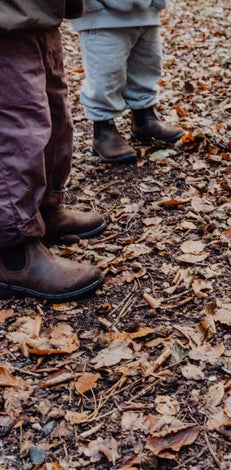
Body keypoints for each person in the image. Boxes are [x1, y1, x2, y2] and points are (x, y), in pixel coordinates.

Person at [0, 0, 106, 301]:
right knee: (14, 120)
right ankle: (13, 252)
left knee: (51, 108)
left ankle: (43, 210)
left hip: (37, 8)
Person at [72, 0, 185, 164]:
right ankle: (104, 131)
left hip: (145, 11)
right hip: (101, 13)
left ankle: (144, 118)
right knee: (106, 75)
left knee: (146, 67)